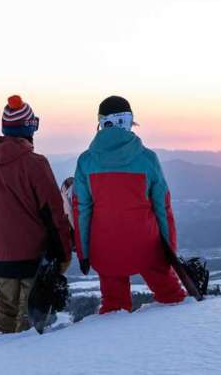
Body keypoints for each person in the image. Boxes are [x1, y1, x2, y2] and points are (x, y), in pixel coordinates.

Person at [73, 95, 186, 313]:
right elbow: (163, 207)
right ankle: (177, 340)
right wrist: (169, 249)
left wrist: (84, 253)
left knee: (114, 309)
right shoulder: (147, 159)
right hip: (147, 246)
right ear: (128, 121)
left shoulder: (86, 161)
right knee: (173, 299)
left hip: (105, 249)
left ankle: (116, 346)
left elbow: (82, 211)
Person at [0, 95, 72, 333]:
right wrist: (63, 253)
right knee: (30, 324)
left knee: (5, 319)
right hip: (34, 260)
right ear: (29, 127)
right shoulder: (36, 163)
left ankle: (1, 364)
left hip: (2, 259)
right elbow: (54, 213)